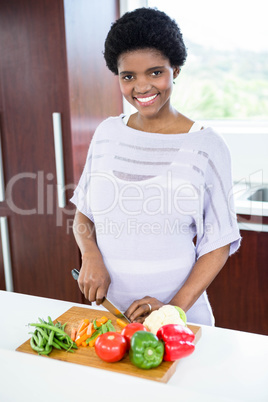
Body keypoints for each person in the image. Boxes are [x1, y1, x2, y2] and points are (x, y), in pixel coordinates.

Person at [70, 7, 241, 326]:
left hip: (179, 318)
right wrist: (90, 253)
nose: (142, 87)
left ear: (175, 70)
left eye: (155, 72)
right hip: (110, 315)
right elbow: (84, 212)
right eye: (128, 76)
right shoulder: (107, 133)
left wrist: (171, 309)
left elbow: (218, 244)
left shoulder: (207, 146)